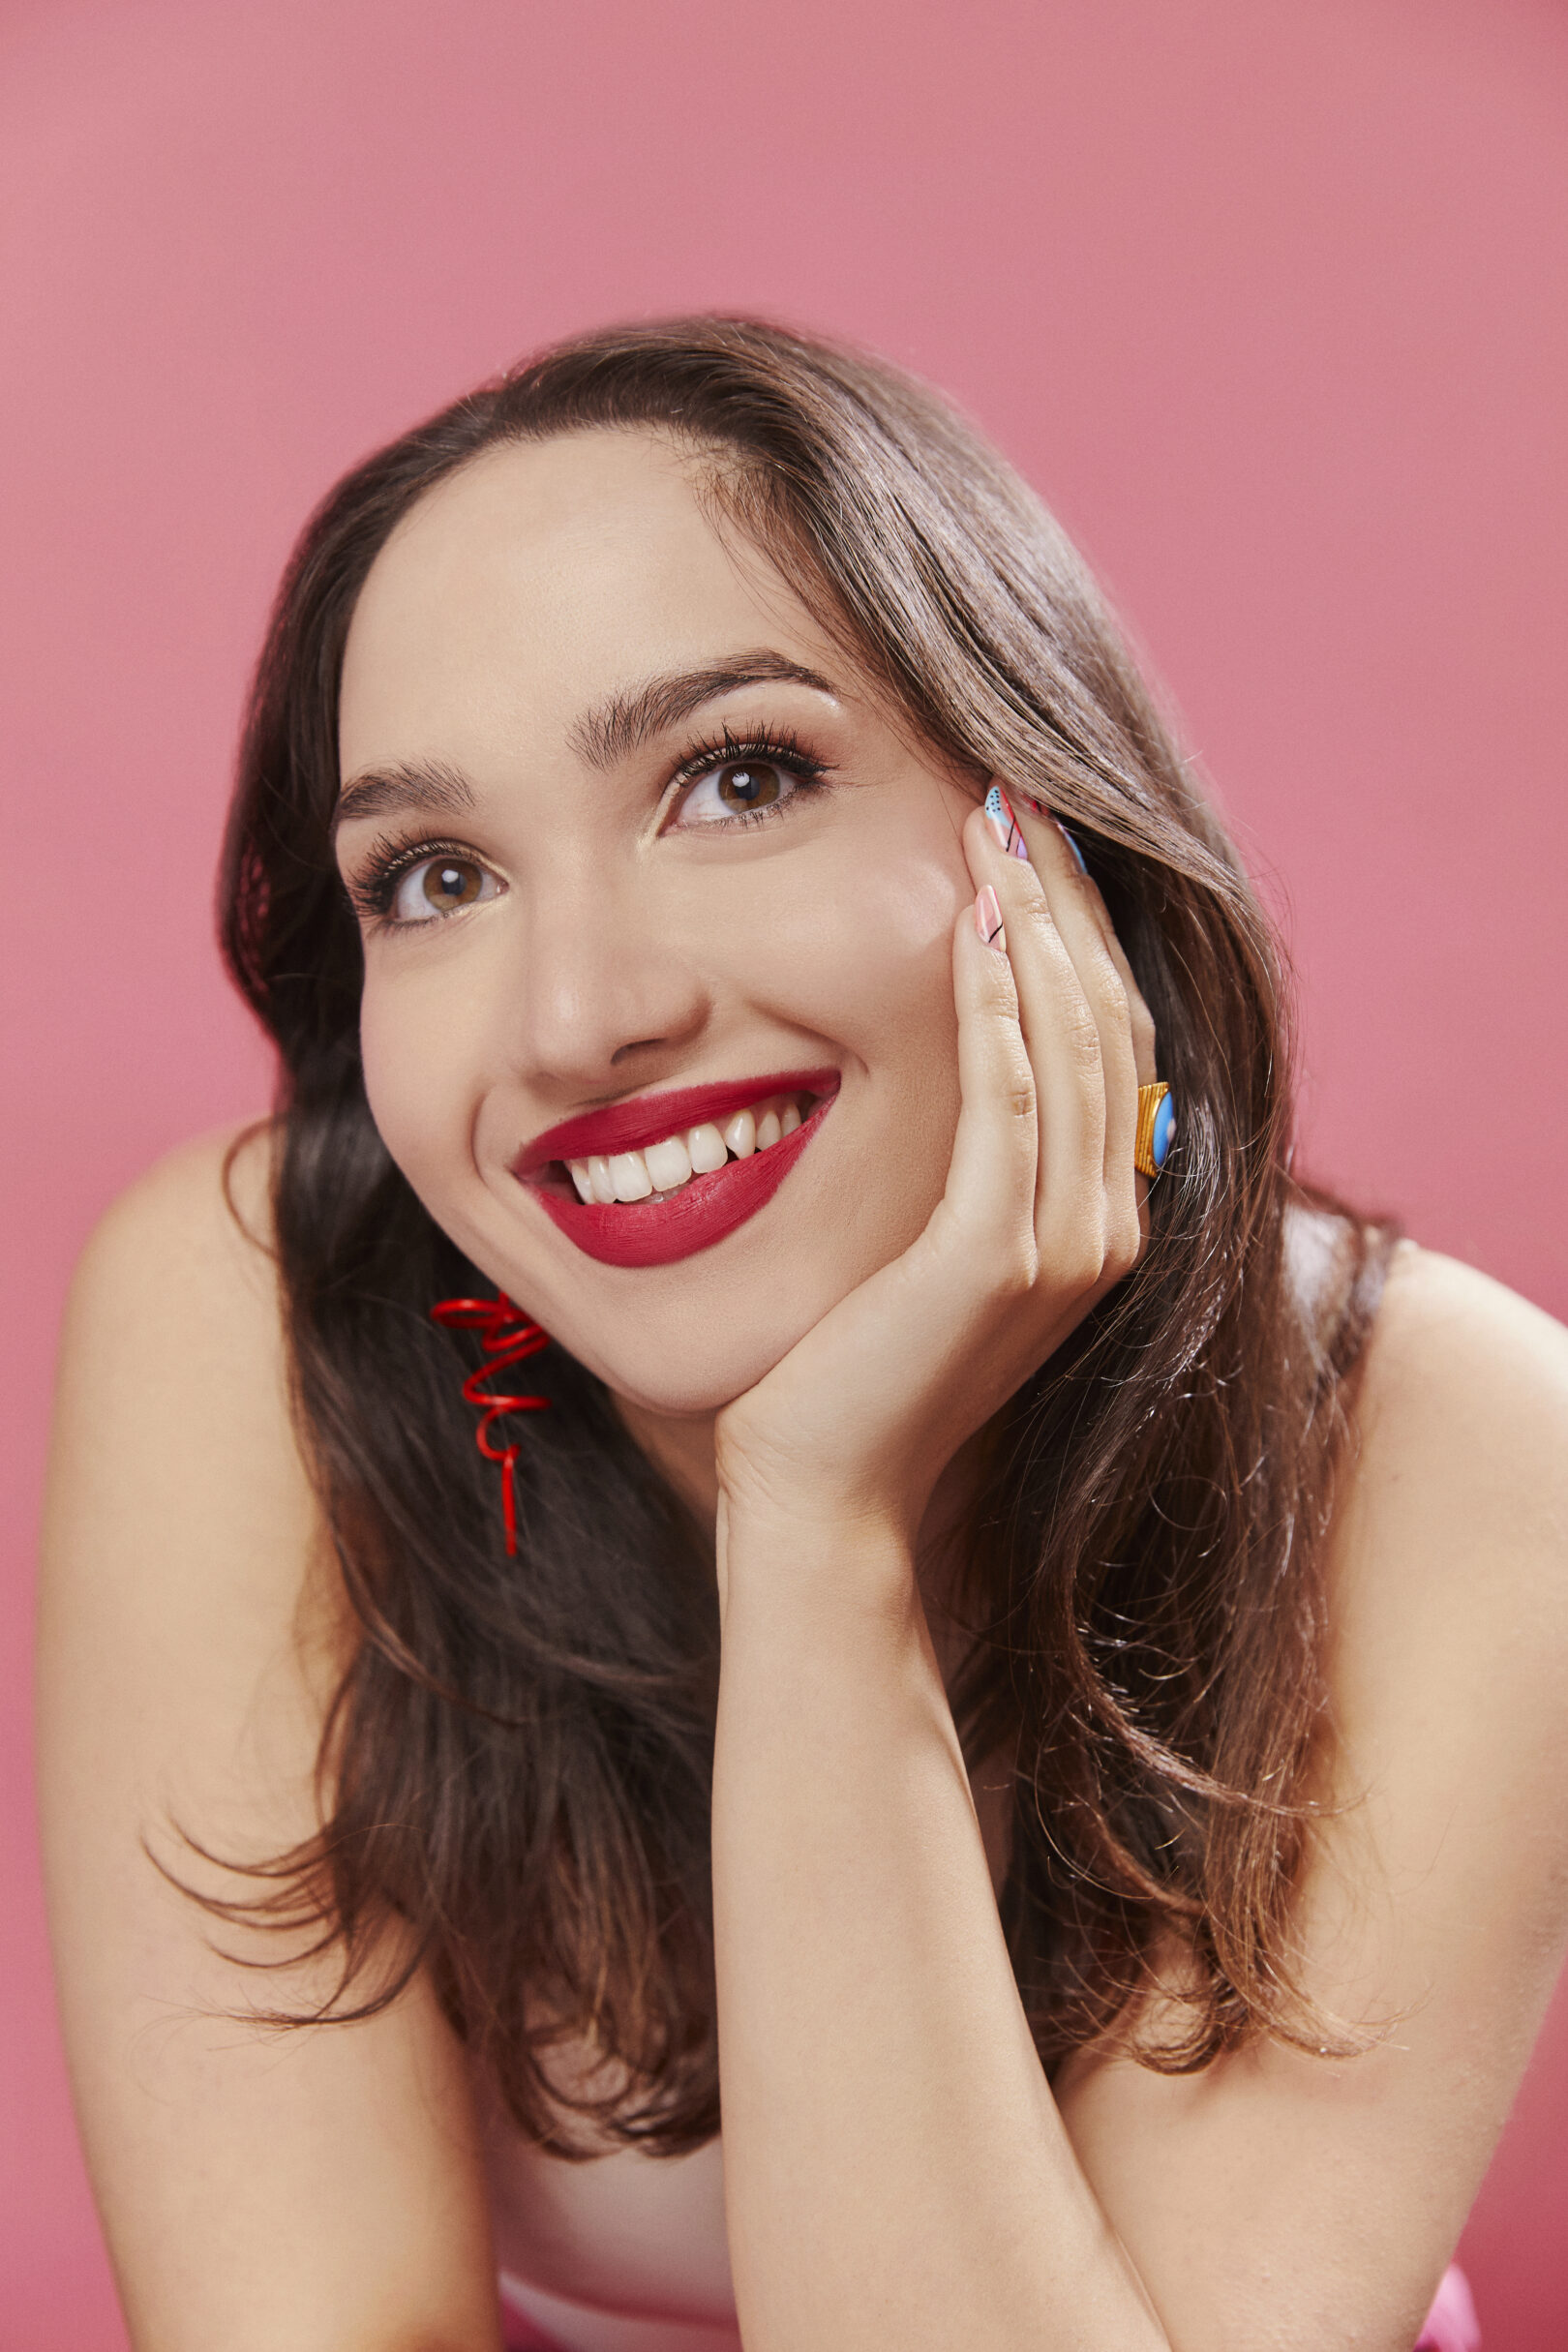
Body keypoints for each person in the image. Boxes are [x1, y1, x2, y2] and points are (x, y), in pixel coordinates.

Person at [36, 317, 1568, 2352]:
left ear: (1052, 845)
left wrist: (820, 1523)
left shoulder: (1455, 1442)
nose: (579, 1015)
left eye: (737, 779)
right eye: (436, 875)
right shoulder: (269, 1317)